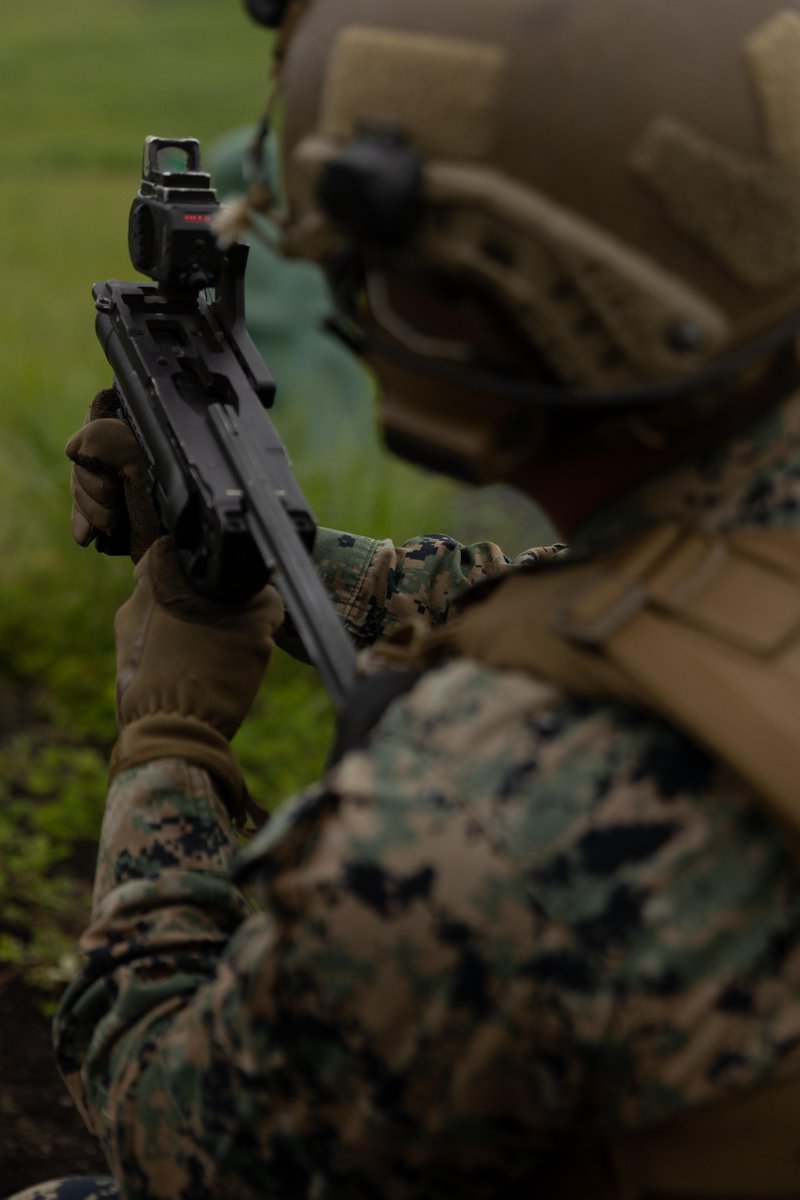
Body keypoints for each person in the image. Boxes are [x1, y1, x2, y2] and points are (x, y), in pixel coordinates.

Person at [13, 0, 800, 1196]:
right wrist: (288, 558)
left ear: (470, 301)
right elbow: (606, 599)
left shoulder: (483, 820)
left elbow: (177, 1133)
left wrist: (166, 737)